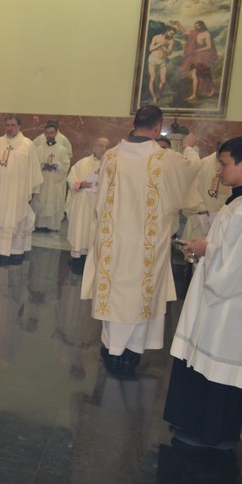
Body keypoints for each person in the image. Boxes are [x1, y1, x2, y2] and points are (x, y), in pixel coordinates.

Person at [81, 105, 199, 379]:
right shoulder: (166, 159)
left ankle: (111, 350)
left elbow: (100, 202)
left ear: (134, 124)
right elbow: (191, 173)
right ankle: (131, 354)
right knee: (141, 295)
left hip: (113, 242)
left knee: (114, 294)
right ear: (158, 128)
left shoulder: (111, 156)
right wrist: (190, 147)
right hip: (146, 245)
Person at [165, 136, 242, 450]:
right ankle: (200, 425)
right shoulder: (236, 203)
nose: (219, 171)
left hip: (229, 306)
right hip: (219, 301)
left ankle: (214, 434)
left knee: (220, 367)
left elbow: (236, 269)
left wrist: (205, 249)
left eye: (225, 164)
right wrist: (206, 248)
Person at [0, 115, 43, 263]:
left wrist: (30, 191)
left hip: (17, 192)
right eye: (7, 125)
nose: (9, 128)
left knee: (15, 218)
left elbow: (33, 170)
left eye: (13, 125)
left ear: (19, 127)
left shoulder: (27, 145)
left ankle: (15, 251)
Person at [66, 137, 109, 268]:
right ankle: (78, 257)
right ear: (93, 147)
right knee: (81, 229)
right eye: (100, 146)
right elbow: (71, 178)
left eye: (106, 147)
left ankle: (94, 259)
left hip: (99, 203)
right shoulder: (82, 163)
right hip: (83, 204)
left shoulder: (110, 165)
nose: (103, 149)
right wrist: (81, 184)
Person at [182, 143, 231, 241]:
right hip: (201, 220)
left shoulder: (235, 167)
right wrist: (200, 209)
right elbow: (191, 190)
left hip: (226, 223)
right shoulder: (205, 163)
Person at [31, 121, 70, 232]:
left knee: (53, 201)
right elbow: (34, 164)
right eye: (47, 133)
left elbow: (66, 164)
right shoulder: (39, 149)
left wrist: (57, 166)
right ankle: (38, 224)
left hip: (54, 180)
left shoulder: (62, 149)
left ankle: (51, 226)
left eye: (51, 133)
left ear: (56, 133)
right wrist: (42, 166)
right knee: (40, 201)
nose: (49, 135)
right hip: (42, 180)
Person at [171, 19, 218, 101]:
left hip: (203, 56)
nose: (197, 27)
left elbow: (209, 46)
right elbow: (184, 31)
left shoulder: (206, 34)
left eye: (198, 26)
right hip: (195, 56)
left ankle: (209, 90)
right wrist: (178, 24)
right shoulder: (194, 33)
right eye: (195, 26)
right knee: (195, 74)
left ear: (202, 25)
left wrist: (198, 50)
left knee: (204, 75)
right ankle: (194, 94)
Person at [147, 26, 176, 104]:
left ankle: (157, 94)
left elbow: (169, 53)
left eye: (172, 34)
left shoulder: (171, 41)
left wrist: (163, 46)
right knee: (152, 78)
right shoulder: (156, 37)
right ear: (167, 31)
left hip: (162, 61)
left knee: (163, 81)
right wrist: (159, 44)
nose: (171, 35)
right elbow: (150, 49)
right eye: (170, 33)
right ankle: (154, 97)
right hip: (153, 60)